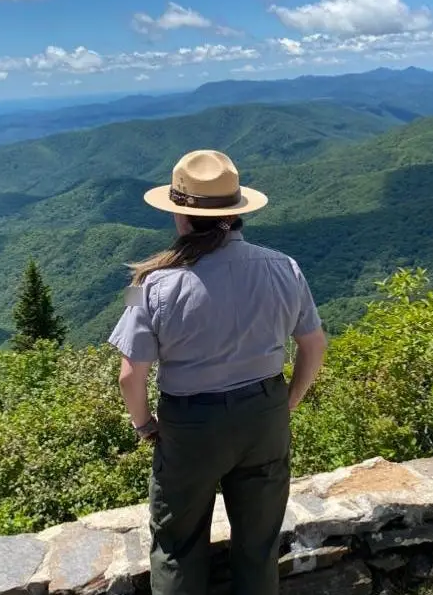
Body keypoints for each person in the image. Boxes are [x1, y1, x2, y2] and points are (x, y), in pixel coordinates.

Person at [108, 149, 327, 595]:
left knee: (177, 545)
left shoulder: (147, 283)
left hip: (190, 425)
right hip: (264, 415)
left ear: (180, 216)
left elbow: (130, 373)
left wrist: (145, 425)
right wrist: (288, 402)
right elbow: (314, 345)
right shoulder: (286, 267)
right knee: (259, 543)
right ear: (237, 210)